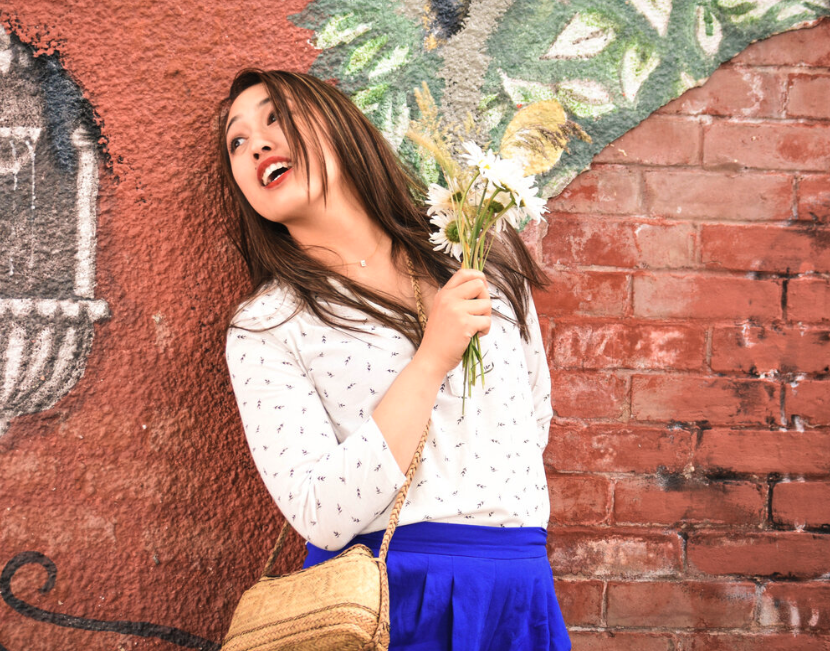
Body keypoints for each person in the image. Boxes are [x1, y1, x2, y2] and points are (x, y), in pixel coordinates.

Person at [216, 68, 570, 651]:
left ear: (340, 125)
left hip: (516, 594)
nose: (256, 143)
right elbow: (320, 512)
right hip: (386, 604)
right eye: (238, 140)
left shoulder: (479, 254)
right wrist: (431, 359)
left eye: (276, 118)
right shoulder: (268, 325)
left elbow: (530, 418)